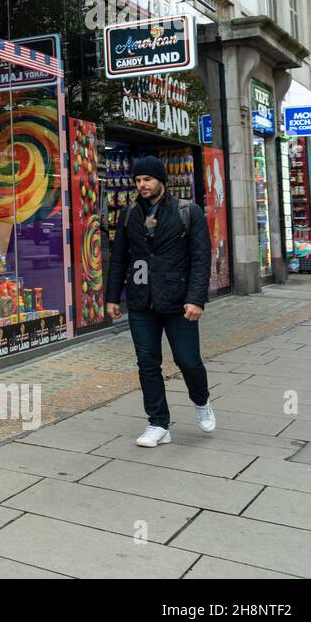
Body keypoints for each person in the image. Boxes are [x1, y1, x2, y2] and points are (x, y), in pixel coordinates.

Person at [105, 156, 215, 447]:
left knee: (188, 361)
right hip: (141, 301)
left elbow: (201, 260)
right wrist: (112, 296)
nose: (142, 185)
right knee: (147, 364)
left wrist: (196, 299)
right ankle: (158, 424)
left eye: (147, 180)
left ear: (161, 181)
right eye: (138, 180)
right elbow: (119, 258)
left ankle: (201, 401)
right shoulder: (130, 215)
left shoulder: (187, 211)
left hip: (179, 302)